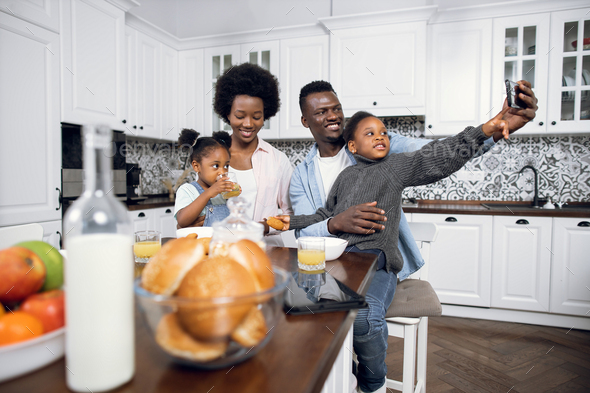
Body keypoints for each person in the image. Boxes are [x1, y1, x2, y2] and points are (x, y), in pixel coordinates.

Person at [288, 80, 538, 393]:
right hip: (329, 270)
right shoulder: (302, 174)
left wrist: (491, 130)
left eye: (336, 108)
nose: (333, 115)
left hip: (377, 263)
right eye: (321, 111)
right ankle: (339, 379)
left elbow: (435, 156)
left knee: (359, 319)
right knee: (292, 317)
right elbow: (307, 230)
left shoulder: (383, 152)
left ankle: (368, 383)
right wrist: (336, 222)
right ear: (305, 120)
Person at [213, 62, 293, 242]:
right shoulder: (211, 157)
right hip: (224, 248)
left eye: (256, 117)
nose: (248, 124)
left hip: (269, 252)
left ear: (266, 115)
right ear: (227, 114)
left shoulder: (278, 160)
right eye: (240, 116)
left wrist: (262, 227)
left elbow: (290, 214)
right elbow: (200, 201)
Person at [174, 129, 235, 228]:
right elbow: (182, 221)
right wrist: (209, 193)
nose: (223, 172)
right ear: (196, 166)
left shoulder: (223, 194)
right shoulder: (187, 190)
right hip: (201, 243)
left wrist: (233, 195)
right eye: (216, 166)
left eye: (226, 166)